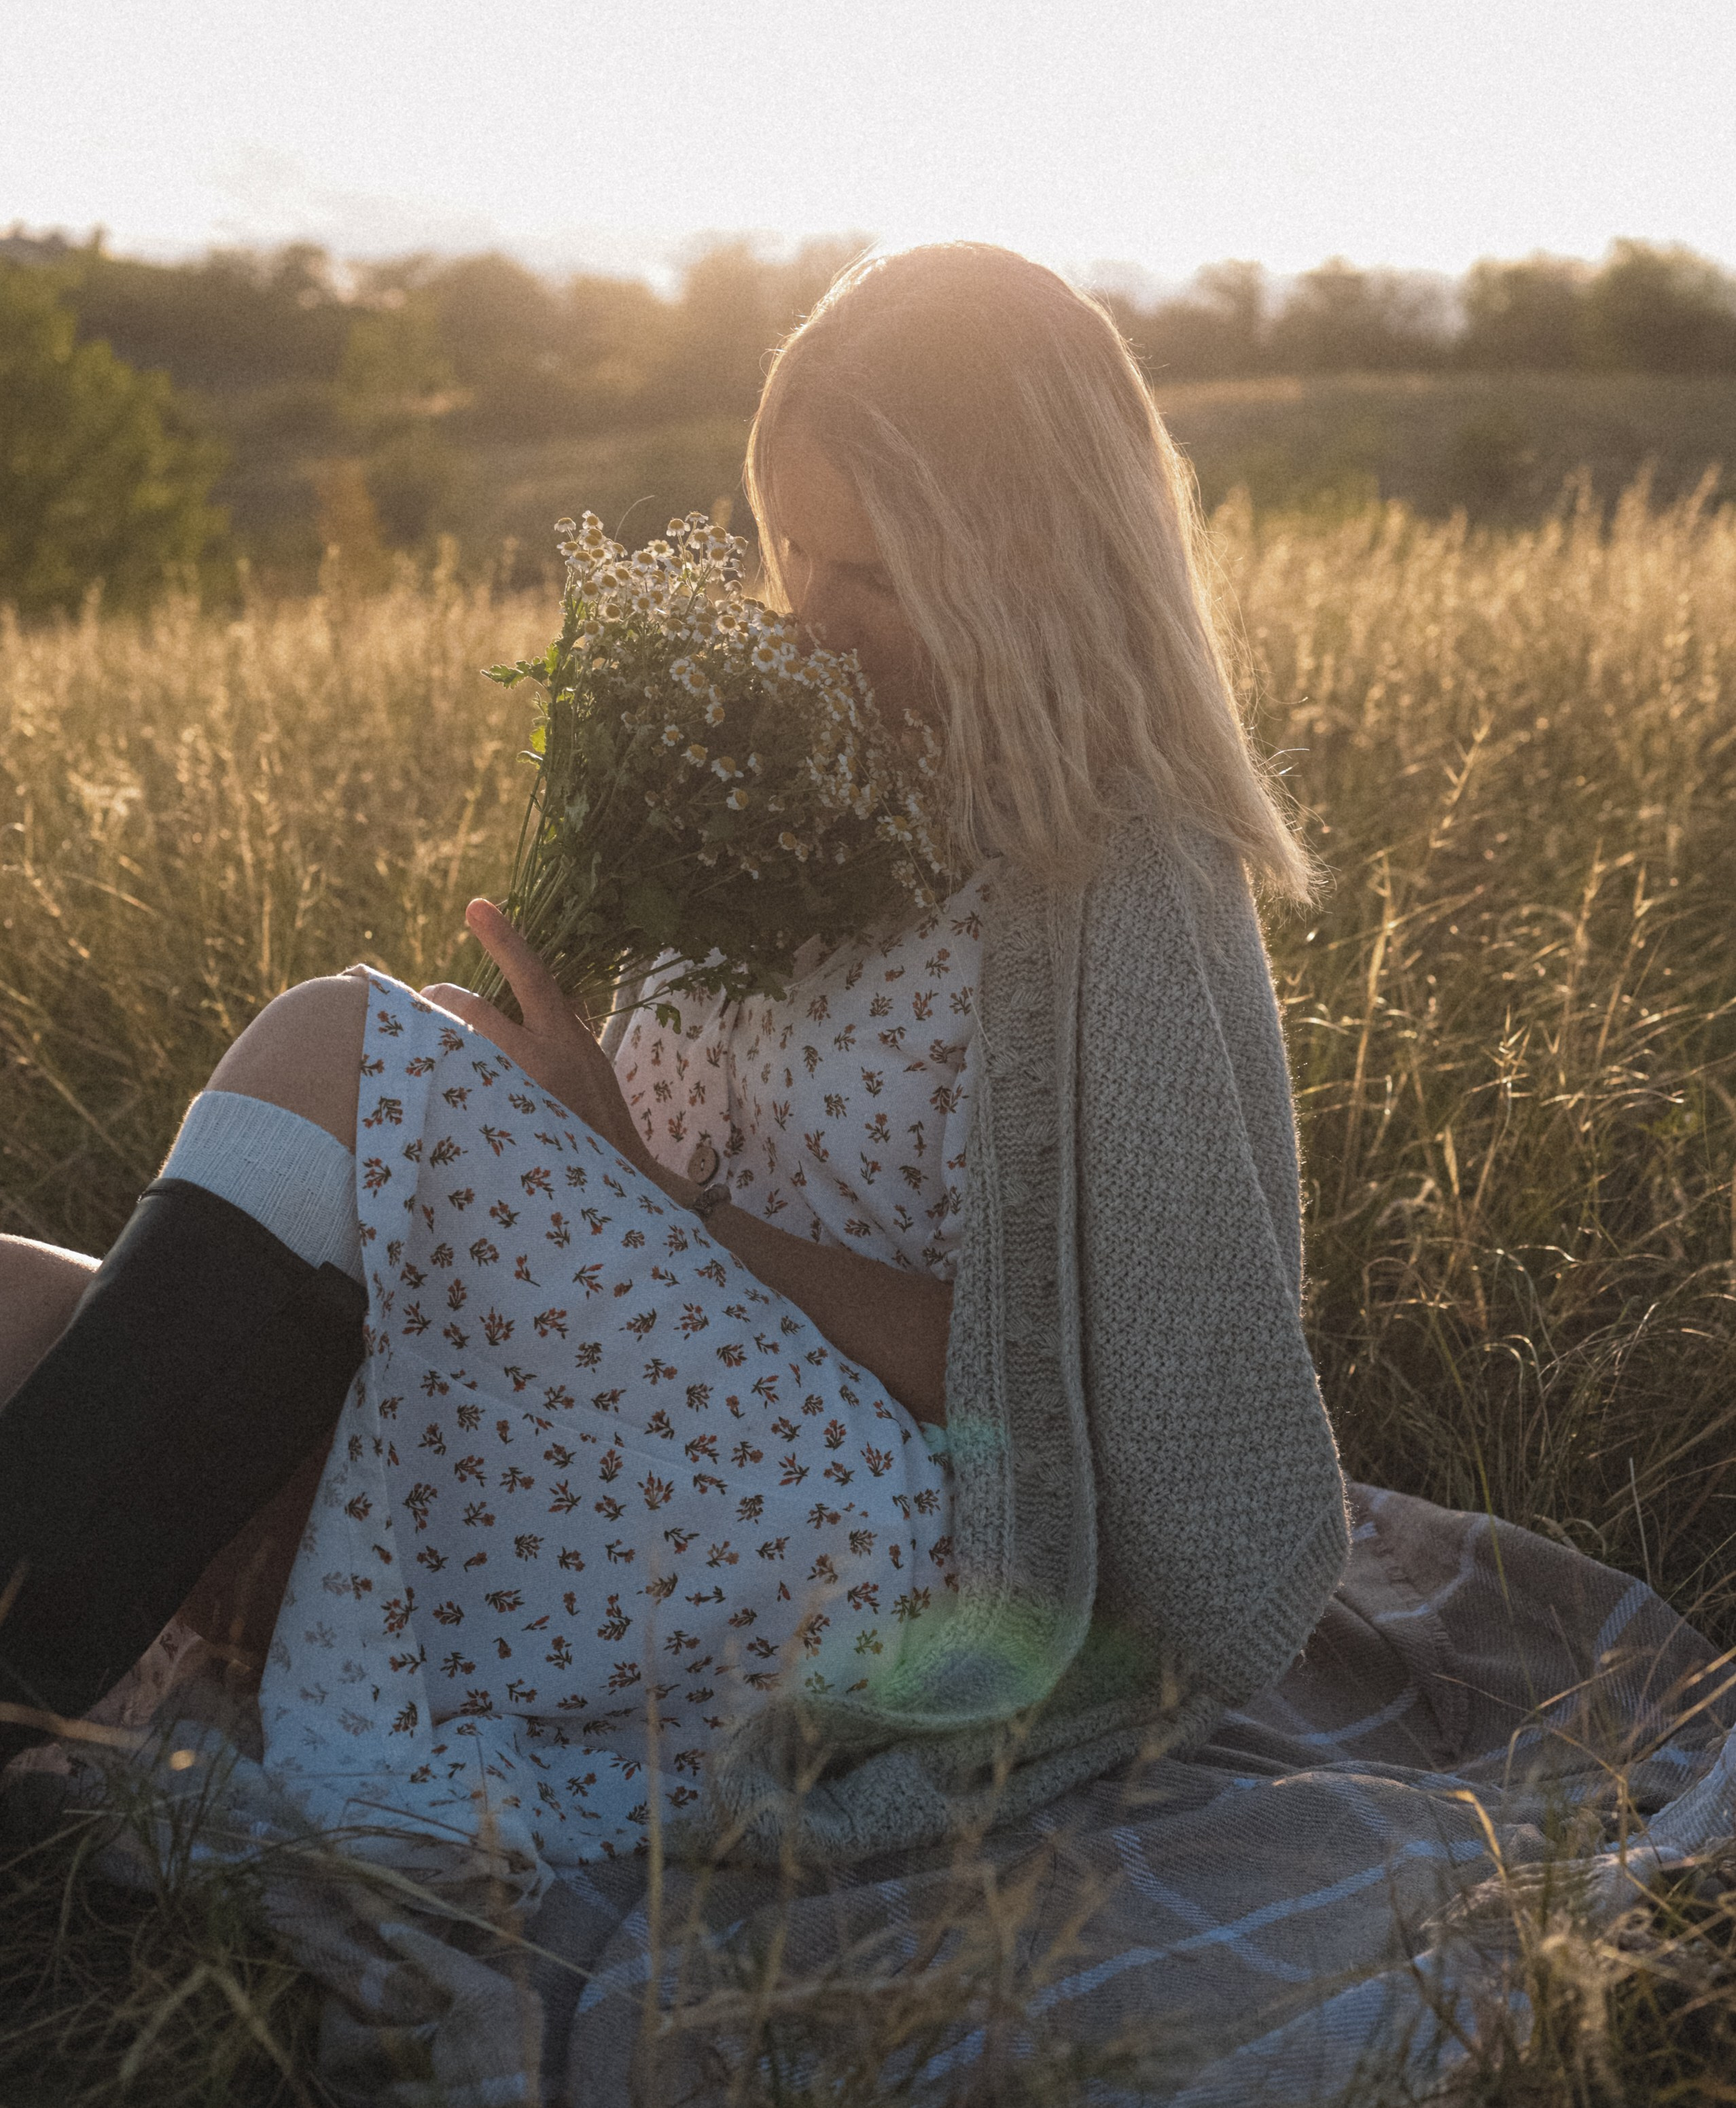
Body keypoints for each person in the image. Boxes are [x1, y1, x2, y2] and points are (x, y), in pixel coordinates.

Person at [0, 243, 1347, 1880]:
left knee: (332, 1037)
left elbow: (1057, 1400)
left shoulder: (1122, 884)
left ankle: (24, 1683)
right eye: (790, 547)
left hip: (874, 1532)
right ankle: (68, 1643)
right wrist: (530, 1121)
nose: (814, 618)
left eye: (876, 571)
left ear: (1028, 561)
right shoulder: (809, 792)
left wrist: (643, 1196)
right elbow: (624, 1231)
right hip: (655, 1435)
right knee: (19, 1301)